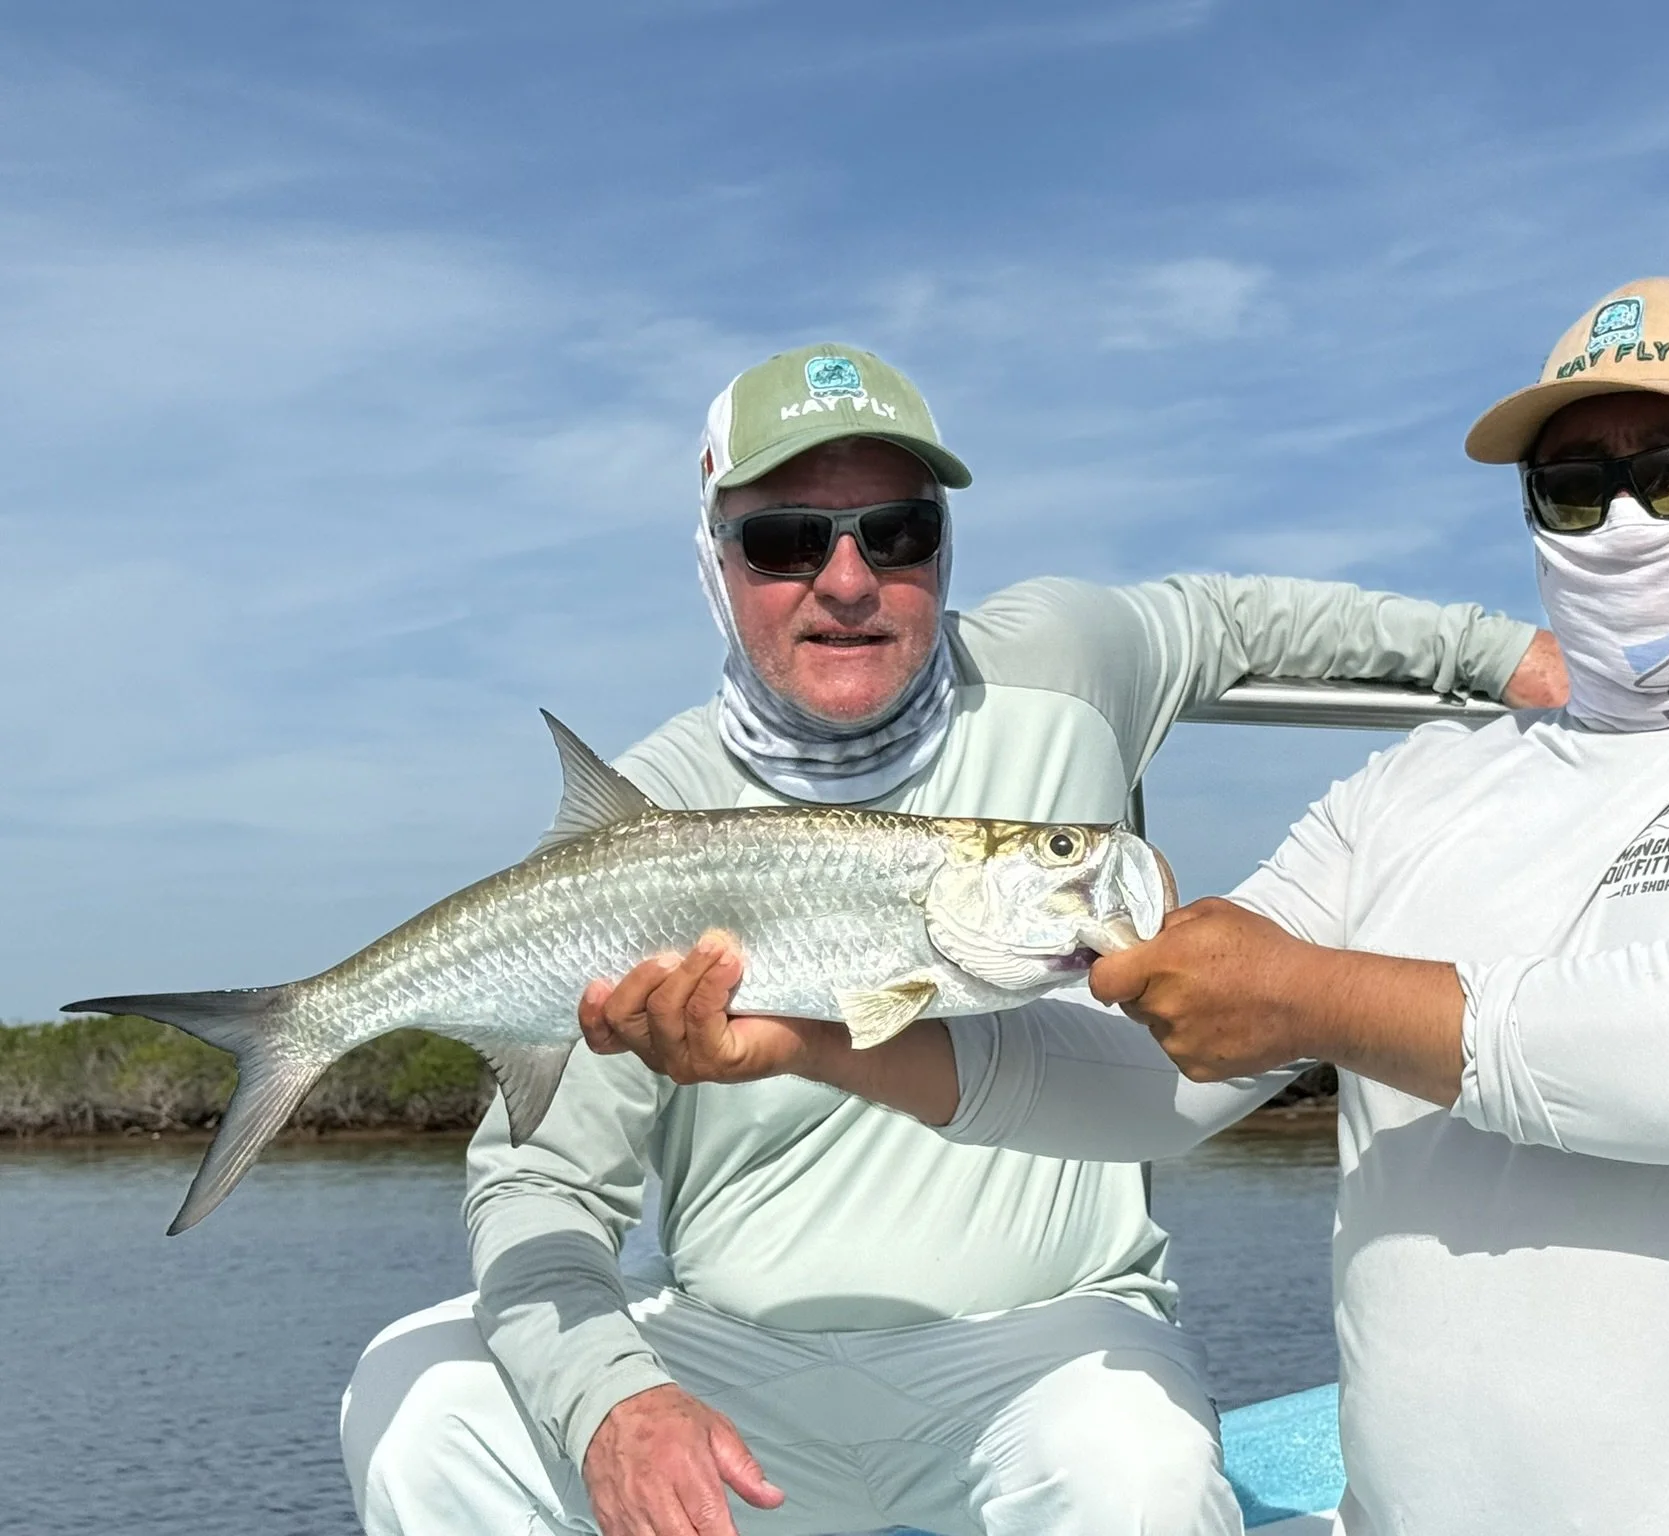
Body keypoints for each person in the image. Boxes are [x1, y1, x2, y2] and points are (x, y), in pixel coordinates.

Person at [634, 282, 1669, 1534]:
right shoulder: (1412, 793)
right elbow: (1152, 1084)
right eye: (1570, 486)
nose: (1621, 520)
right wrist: (819, 1045)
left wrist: (1308, 998)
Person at [337, 341, 1565, 1536]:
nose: (849, 579)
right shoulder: (652, 816)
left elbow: (1248, 626)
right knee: (418, 1405)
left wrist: (1514, 656)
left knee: (1132, 1474)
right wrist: (614, 1401)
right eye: (783, 541)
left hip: (1048, 1346)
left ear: (940, 544)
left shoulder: (1060, 663)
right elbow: (538, 1178)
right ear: (713, 562)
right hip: (736, 1356)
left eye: (897, 531)